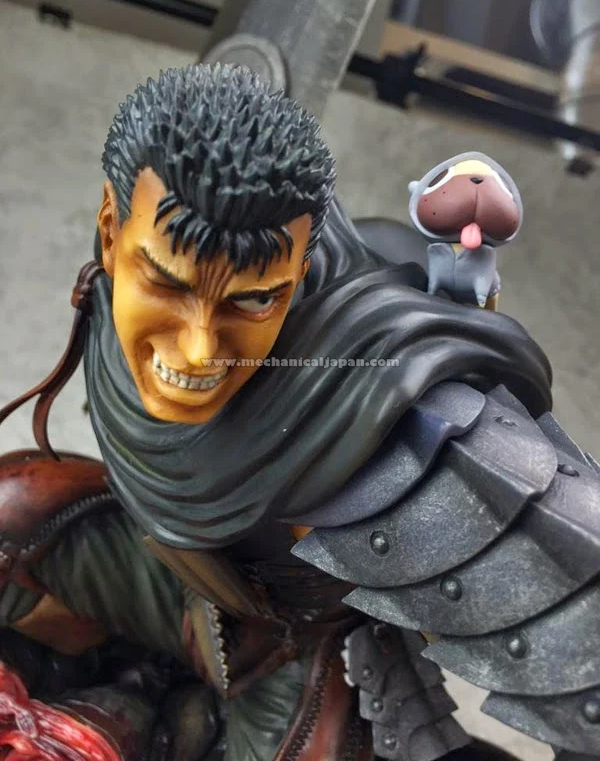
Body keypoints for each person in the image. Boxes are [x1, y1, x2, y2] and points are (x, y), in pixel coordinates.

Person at [0, 63, 597, 761]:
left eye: (253, 300)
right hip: (173, 580)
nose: (198, 350)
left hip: (303, 661)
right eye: (165, 284)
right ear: (110, 229)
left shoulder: (383, 405)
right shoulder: (127, 255)